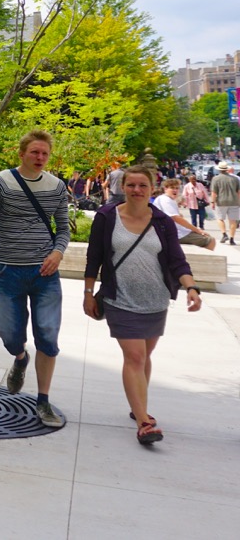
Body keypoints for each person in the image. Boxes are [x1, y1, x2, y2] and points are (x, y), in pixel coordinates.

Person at [83, 165, 203, 446]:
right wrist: (89, 292)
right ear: (122, 187)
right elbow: (94, 257)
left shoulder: (161, 221)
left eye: (143, 186)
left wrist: (191, 286)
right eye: (131, 185)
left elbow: (176, 259)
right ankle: (144, 422)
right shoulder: (106, 217)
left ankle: (138, 405)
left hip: (156, 299)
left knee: (145, 356)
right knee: (135, 357)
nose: (137, 190)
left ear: (152, 189)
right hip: (119, 298)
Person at [0, 129, 69, 428]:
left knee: (48, 335)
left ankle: (43, 401)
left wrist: (58, 253)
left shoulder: (56, 186)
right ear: (22, 153)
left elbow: (64, 229)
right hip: (8, 271)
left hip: (45, 273)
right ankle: (19, 358)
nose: (40, 158)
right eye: (34, 152)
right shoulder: (0, 182)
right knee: (8, 332)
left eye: (44, 153)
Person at [153, 179, 216, 251]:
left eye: (177, 188)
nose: (175, 190)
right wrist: (197, 230)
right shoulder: (165, 200)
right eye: (172, 188)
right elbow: (176, 218)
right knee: (210, 240)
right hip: (175, 234)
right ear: (165, 189)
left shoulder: (167, 199)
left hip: (177, 231)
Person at [209, 160, 239, 244]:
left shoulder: (216, 179)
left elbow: (214, 192)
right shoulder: (235, 178)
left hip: (221, 201)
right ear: (227, 169)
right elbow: (238, 192)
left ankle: (224, 234)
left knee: (220, 218)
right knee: (233, 221)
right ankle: (232, 239)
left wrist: (213, 202)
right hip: (234, 201)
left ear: (219, 169)